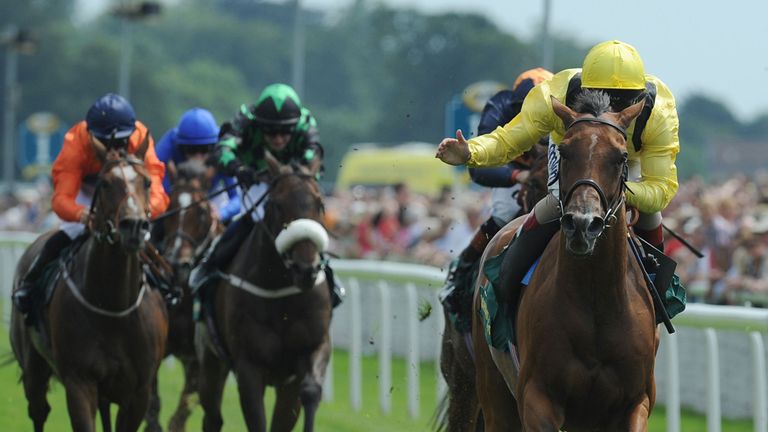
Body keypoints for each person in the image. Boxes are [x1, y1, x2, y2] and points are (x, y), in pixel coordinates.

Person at [436, 40, 681, 307]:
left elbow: (660, 188)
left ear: (639, 96)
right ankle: (501, 296)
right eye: (602, 97)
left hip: (623, 159)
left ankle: (659, 298)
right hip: (574, 149)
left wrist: (615, 189)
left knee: (650, 213)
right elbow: (508, 140)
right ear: (585, 90)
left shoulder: (659, 112)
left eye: (621, 101)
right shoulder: (555, 94)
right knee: (555, 202)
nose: (610, 109)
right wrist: (470, 151)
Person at [12, 93, 170, 316]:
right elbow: (61, 199)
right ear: (92, 135)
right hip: (88, 194)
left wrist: (143, 212)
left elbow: (157, 192)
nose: (114, 148)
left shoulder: (141, 137)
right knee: (71, 231)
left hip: (128, 195)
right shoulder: (75, 141)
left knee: (143, 236)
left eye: (120, 141)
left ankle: (165, 287)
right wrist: (82, 215)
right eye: (106, 142)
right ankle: (30, 285)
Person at [189, 83, 343, 307]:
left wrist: (294, 176)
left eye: (285, 132)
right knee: (250, 219)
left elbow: (314, 155)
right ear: (260, 125)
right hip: (257, 180)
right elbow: (222, 148)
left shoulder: (306, 123)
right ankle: (210, 265)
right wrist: (239, 169)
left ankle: (327, 273)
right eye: (271, 131)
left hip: (294, 182)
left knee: (305, 221)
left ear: (295, 126)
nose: (278, 138)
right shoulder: (245, 118)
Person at [440, 67, 553, 314]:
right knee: (503, 214)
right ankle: (461, 277)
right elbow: (477, 170)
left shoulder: (563, 110)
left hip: (552, 175)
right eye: (523, 108)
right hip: (514, 174)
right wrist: (518, 176)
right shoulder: (498, 108)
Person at [154, 108, 241, 225]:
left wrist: (221, 213)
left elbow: (237, 199)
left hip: (214, 197)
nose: (198, 157)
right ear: (180, 147)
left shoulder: (223, 151)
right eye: (192, 150)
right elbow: (156, 188)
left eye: (205, 149)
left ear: (214, 146)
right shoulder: (167, 148)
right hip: (177, 196)